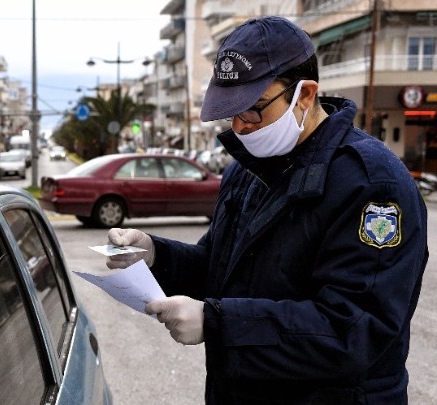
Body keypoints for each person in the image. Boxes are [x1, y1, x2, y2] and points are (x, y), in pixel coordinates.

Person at [105, 16, 428, 404]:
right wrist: (156, 254)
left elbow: (355, 329)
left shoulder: (373, 185)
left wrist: (218, 324)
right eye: (230, 112)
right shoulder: (247, 169)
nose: (240, 127)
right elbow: (219, 268)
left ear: (305, 95)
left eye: (254, 109)